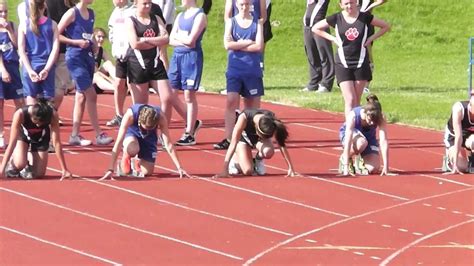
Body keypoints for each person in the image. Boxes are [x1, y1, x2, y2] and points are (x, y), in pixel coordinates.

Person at [312, 0, 390, 117]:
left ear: (357, 3)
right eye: (346, 3)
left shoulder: (365, 17)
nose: (349, 6)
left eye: (352, 2)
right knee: (350, 99)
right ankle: (348, 129)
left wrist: (370, 39)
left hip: (361, 61)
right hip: (343, 62)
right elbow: (316, 28)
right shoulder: (336, 18)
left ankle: (356, 127)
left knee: (356, 101)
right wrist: (333, 39)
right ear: (341, 5)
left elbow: (385, 26)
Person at [58, 0, 114, 146]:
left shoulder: (91, 13)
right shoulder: (71, 13)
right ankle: (98, 134)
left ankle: (74, 135)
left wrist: (95, 49)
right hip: (75, 57)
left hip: (87, 57)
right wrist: (76, 42)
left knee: (81, 97)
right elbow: (56, 34)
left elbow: (89, 36)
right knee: (91, 94)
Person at [214, 0, 264, 150]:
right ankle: (229, 138)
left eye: (246, 4)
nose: (244, 7)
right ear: (237, 5)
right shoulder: (231, 22)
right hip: (235, 69)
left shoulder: (257, 23)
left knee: (251, 107)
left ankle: (251, 137)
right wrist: (248, 42)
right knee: (231, 101)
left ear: (250, 5)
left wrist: (239, 44)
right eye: (241, 4)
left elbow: (259, 46)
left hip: (252, 69)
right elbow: (227, 44)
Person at [101, 104, 190, 179]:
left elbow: (168, 144)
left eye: (150, 128)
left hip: (150, 137)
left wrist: (180, 167)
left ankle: (137, 161)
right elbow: (118, 142)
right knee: (133, 149)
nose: (147, 129)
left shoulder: (161, 117)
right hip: (132, 133)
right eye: (145, 128)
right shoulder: (130, 115)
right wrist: (110, 169)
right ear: (140, 120)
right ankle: (125, 158)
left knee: (147, 172)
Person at [125, 0, 174, 123]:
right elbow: (135, 43)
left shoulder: (156, 18)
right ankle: (142, 134)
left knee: (167, 98)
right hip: (138, 65)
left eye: (149, 3)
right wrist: (155, 41)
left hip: (156, 64)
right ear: (136, 3)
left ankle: (164, 132)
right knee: (141, 106)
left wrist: (146, 40)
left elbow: (166, 38)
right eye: (145, 3)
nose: (148, 6)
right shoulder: (131, 20)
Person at [0, 99, 72, 179]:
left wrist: (64, 169)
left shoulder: (53, 115)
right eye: (36, 122)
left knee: (39, 174)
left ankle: (27, 166)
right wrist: (2, 169)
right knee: (19, 164)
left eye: (42, 124)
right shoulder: (20, 114)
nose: (38, 126)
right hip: (23, 135)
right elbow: (12, 142)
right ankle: (12, 162)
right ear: (32, 116)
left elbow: (57, 142)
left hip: (41, 137)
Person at [214, 109, 296, 177]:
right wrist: (225, 169)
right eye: (262, 136)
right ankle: (235, 161)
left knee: (268, 151)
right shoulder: (244, 117)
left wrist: (291, 167)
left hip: (256, 141)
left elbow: (281, 144)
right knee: (248, 171)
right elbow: (233, 142)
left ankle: (258, 160)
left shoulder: (271, 119)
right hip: (243, 140)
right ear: (256, 128)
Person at [168, 0, 207, 146]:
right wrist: (182, 39)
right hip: (177, 57)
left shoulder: (200, 16)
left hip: (191, 58)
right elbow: (170, 39)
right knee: (170, 95)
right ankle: (193, 122)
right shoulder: (180, 16)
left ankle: (189, 133)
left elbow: (192, 41)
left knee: (188, 95)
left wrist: (180, 38)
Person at [17, 0, 60, 106]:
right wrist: (47, 69)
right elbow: (55, 50)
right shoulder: (53, 24)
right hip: (47, 65)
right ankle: (48, 122)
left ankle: (30, 122)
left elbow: (21, 50)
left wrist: (29, 70)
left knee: (31, 101)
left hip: (30, 65)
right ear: (44, 6)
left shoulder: (23, 25)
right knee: (48, 102)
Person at [339, 94, 392, 176]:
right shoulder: (353, 115)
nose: (372, 123)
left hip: (369, 138)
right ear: (365, 113)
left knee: (374, 169)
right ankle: (345, 158)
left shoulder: (381, 117)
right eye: (370, 120)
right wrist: (345, 166)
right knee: (361, 143)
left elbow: (383, 141)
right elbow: (348, 139)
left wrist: (386, 166)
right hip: (351, 136)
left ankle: (359, 162)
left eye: (375, 121)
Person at [106, 0, 136, 127]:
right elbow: (111, 30)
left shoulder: (133, 11)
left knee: (132, 84)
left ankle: (136, 113)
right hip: (120, 55)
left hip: (132, 54)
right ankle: (119, 114)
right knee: (119, 84)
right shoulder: (115, 12)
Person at [0, 0, 25, 149]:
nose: (3, 15)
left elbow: (18, 46)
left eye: (5, 12)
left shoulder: (13, 25)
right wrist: (2, 70)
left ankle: (20, 133)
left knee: (20, 103)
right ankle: (1, 135)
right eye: (0, 12)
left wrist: (9, 30)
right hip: (2, 68)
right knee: (0, 104)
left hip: (14, 67)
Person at [47, 0, 77, 111]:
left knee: (57, 87)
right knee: (58, 87)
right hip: (53, 49)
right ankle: (50, 114)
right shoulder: (69, 4)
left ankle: (49, 114)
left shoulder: (69, 4)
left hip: (55, 49)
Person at [302, 0, 334, 93]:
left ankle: (326, 84)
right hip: (307, 27)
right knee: (311, 55)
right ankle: (314, 83)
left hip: (319, 27)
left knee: (325, 55)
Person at [358, 0, 387, 93]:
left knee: (367, 52)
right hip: (354, 22)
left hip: (366, 22)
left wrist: (370, 7)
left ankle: (366, 84)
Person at [443, 93, 474, 174]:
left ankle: (472, 161)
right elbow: (458, 136)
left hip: (470, 137)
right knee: (462, 167)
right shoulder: (459, 109)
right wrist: (455, 165)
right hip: (454, 136)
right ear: (470, 106)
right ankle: (450, 160)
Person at [92, 27, 116, 93]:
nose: (101, 39)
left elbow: (110, 64)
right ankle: (116, 88)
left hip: (101, 83)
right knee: (96, 75)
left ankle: (121, 83)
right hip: (88, 83)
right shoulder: (87, 51)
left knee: (107, 64)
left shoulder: (101, 51)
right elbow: (96, 72)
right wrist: (111, 81)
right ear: (93, 37)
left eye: (103, 37)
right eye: (99, 37)